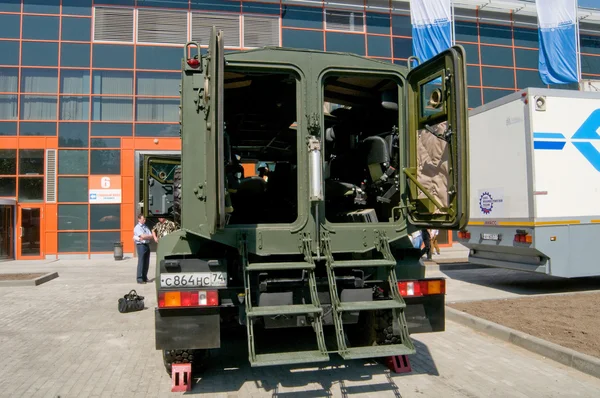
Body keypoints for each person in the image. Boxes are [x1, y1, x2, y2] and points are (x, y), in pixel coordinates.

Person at [133, 214, 153, 284]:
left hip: (146, 244)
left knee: (146, 262)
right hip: (141, 245)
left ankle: (145, 277)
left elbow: (151, 236)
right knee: (141, 262)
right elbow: (142, 236)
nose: (144, 220)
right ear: (139, 219)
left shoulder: (146, 227)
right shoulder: (137, 228)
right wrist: (145, 236)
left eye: (144, 219)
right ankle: (139, 278)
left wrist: (146, 236)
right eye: (143, 219)